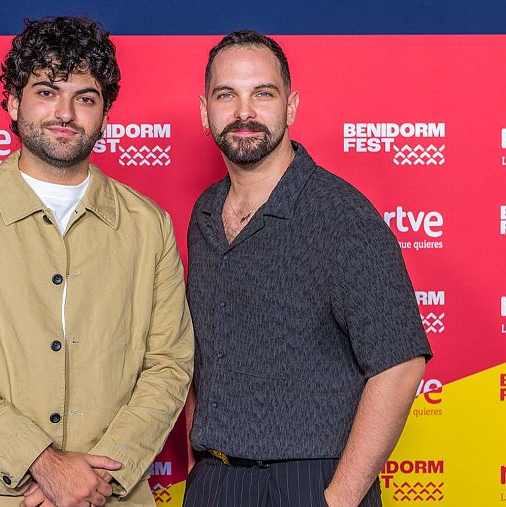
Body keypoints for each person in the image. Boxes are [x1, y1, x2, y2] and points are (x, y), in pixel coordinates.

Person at [0, 16, 193, 507]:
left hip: (115, 492)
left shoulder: (150, 226)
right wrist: (42, 461)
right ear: (15, 102)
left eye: (85, 98)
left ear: (104, 113)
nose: (65, 112)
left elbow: (169, 364)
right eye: (46, 91)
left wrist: (98, 476)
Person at [183, 30, 432, 507]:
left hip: (309, 484)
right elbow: (201, 356)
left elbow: (400, 365)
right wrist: (199, 467)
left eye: (263, 93)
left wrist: (337, 499)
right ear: (204, 111)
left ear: (291, 106)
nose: (244, 113)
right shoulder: (205, 214)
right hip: (216, 482)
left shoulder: (340, 215)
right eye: (226, 95)